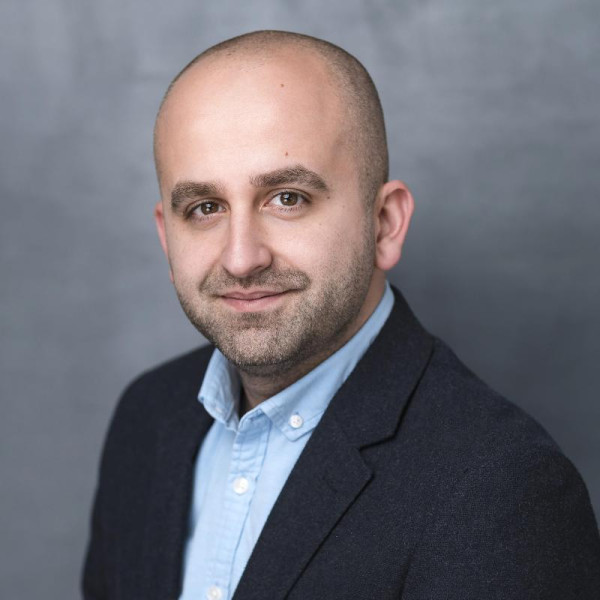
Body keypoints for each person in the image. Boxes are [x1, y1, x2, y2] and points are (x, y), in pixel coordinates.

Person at [82, 30, 600, 600]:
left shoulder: (502, 492)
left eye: (288, 198)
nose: (241, 258)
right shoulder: (148, 418)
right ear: (166, 237)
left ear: (385, 224)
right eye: (205, 208)